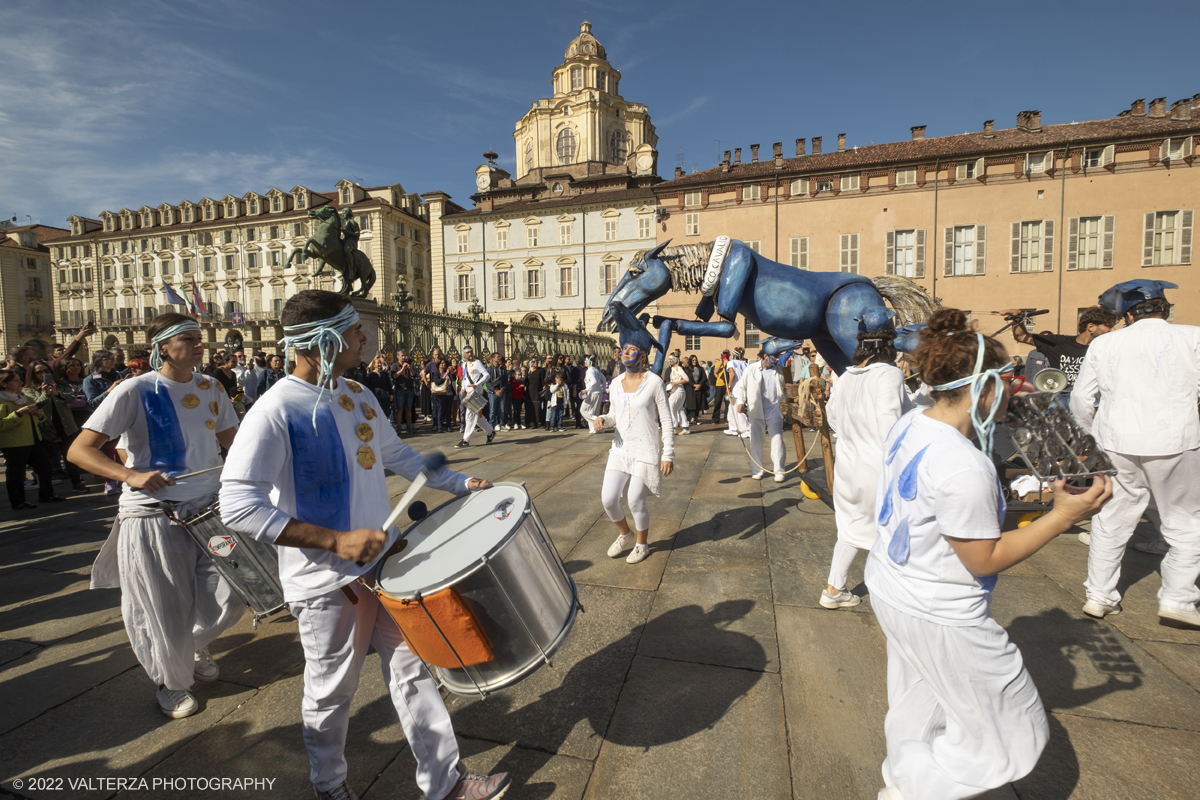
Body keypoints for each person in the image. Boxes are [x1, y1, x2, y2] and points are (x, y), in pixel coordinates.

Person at [218, 289, 509, 800]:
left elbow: (398, 455)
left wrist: (462, 484)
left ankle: (447, 783)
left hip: (387, 568)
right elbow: (237, 505)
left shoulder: (357, 393)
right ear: (322, 340)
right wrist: (335, 539)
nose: (364, 339)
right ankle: (329, 786)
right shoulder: (274, 409)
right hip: (325, 583)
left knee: (414, 671)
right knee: (332, 690)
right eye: (354, 331)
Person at [866, 308, 1112, 800]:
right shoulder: (963, 464)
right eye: (1007, 380)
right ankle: (929, 791)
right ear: (982, 388)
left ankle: (907, 780)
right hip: (939, 608)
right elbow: (983, 559)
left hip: (894, 587)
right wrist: (1063, 516)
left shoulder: (914, 420)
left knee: (924, 700)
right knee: (1005, 723)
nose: (1014, 388)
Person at [68, 313, 245, 719]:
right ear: (162, 347)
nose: (200, 345)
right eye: (189, 339)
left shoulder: (212, 387)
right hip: (151, 514)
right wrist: (131, 475)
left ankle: (189, 646)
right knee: (163, 604)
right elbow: (80, 450)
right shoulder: (134, 390)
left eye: (200, 338)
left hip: (210, 509)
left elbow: (234, 446)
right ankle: (170, 680)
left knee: (232, 592)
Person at [1070, 281, 1200, 627]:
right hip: (1177, 439)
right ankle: (1178, 598)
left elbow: (1082, 399)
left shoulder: (1106, 343)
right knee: (1186, 522)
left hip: (1115, 440)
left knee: (1110, 520)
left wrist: (1088, 435)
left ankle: (1099, 596)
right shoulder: (1193, 337)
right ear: (1165, 308)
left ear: (1127, 314)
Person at [822, 325, 913, 609]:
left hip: (848, 467)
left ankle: (834, 590)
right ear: (887, 348)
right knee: (891, 531)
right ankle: (894, 598)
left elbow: (832, 417)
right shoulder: (890, 373)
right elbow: (891, 423)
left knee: (850, 528)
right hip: (878, 466)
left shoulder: (844, 377)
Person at [593, 340, 674, 564]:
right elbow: (614, 415)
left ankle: (641, 545)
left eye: (632, 349)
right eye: (624, 349)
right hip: (621, 448)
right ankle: (624, 534)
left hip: (646, 448)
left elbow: (666, 419)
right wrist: (603, 419)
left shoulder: (654, 382)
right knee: (608, 499)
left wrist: (668, 454)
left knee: (635, 499)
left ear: (642, 356)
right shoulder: (616, 382)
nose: (625, 352)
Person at [1002, 306, 1118, 398]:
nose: (1113, 330)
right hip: (1060, 403)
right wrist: (1017, 317)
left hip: (1091, 404)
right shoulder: (1059, 342)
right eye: (1109, 326)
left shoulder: (1108, 349)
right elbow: (1021, 336)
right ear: (1091, 327)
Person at [0, 368, 61, 510]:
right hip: (14, 443)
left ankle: (47, 495)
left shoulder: (25, 398)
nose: (21, 382)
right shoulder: (2, 402)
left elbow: (39, 420)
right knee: (16, 474)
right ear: (3, 384)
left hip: (34, 440)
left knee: (45, 468)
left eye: (20, 379)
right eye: (16, 380)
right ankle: (18, 502)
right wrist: (18, 414)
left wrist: (40, 415)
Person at [732, 350, 787, 482]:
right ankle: (757, 469)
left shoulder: (780, 370)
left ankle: (779, 470)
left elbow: (785, 387)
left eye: (778, 357)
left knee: (777, 439)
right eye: (775, 357)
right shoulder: (751, 369)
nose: (778, 360)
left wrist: (785, 406)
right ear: (766, 356)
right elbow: (741, 386)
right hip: (755, 408)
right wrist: (740, 401)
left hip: (774, 409)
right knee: (756, 440)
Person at [55, 357, 93, 492]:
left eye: (78, 364)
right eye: (72, 365)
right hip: (70, 418)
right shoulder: (62, 384)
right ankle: (76, 479)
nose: (76, 367)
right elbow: (68, 401)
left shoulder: (86, 381)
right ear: (65, 368)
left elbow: (91, 398)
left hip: (87, 416)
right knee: (71, 447)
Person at [457, 346, 495, 448]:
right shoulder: (464, 364)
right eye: (467, 352)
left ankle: (466, 440)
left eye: (471, 352)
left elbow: (486, 375)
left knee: (469, 416)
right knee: (478, 418)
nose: (469, 354)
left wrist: (477, 384)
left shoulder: (477, 363)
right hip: (468, 393)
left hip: (476, 393)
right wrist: (463, 387)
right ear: (464, 354)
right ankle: (490, 432)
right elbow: (464, 378)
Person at [725, 348, 750, 438]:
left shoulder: (730, 363)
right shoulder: (746, 364)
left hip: (735, 388)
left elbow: (732, 374)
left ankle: (746, 429)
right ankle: (733, 428)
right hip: (744, 389)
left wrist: (729, 387)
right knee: (731, 409)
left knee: (739, 410)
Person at [580, 356, 607, 433]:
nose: (585, 362)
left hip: (592, 394)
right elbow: (604, 379)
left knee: (583, 410)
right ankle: (597, 429)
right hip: (598, 393)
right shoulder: (596, 370)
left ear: (589, 362)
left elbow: (594, 381)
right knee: (593, 412)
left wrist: (586, 389)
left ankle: (599, 421)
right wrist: (603, 389)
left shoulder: (589, 371)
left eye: (586, 360)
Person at [392, 350, 416, 433]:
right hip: (400, 390)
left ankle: (409, 427)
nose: (403, 357)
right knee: (400, 409)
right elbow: (394, 376)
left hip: (409, 389)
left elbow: (414, 375)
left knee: (409, 409)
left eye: (405, 355)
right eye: (402, 355)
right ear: (397, 356)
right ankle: (399, 428)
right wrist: (402, 369)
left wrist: (410, 368)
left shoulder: (409, 365)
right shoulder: (394, 366)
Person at [365, 355, 394, 423]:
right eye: (378, 363)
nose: (379, 364)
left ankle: (384, 424)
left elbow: (389, 385)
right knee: (376, 410)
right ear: (374, 364)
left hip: (385, 395)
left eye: (380, 363)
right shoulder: (370, 375)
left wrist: (391, 395)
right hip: (375, 395)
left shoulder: (384, 374)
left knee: (385, 411)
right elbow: (366, 386)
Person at [666, 355, 690, 435]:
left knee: (670, 407)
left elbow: (686, 379)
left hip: (679, 391)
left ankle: (673, 427)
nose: (669, 361)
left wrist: (675, 383)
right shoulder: (673, 369)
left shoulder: (679, 369)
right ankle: (686, 427)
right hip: (675, 391)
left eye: (671, 360)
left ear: (675, 360)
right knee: (680, 409)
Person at [527, 357, 547, 429]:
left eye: (536, 362)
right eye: (534, 362)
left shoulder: (540, 370)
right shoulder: (528, 371)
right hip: (530, 391)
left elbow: (542, 380)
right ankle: (533, 422)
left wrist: (543, 387)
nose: (536, 363)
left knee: (537, 407)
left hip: (537, 390)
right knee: (531, 407)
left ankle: (540, 421)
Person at [710, 350, 729, 423]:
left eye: (726, 354)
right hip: (719, 385)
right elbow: (715, 372)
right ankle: (715, 418)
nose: (725, 355)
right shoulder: (718, 363)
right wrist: (721, 363)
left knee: (727, 402)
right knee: (717, 401)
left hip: (727, 385)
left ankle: (726, 418)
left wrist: (727, 364)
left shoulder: (730, 363)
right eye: (724, 354)